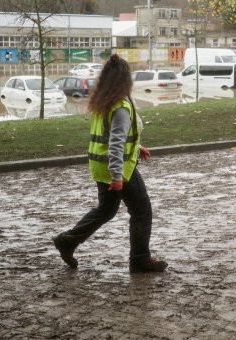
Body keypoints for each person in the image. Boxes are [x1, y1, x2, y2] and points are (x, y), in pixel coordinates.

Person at [52, 54, 168, 273]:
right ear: (126, 80)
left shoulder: (102, 102)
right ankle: (140, 260)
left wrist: (137, 147)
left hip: (100, 165)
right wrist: (117, 177)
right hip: (119, 169)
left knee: (106, 210)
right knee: (142, 210)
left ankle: (67, 241)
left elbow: (113, 137)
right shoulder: (121, 106)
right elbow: (115, 143)